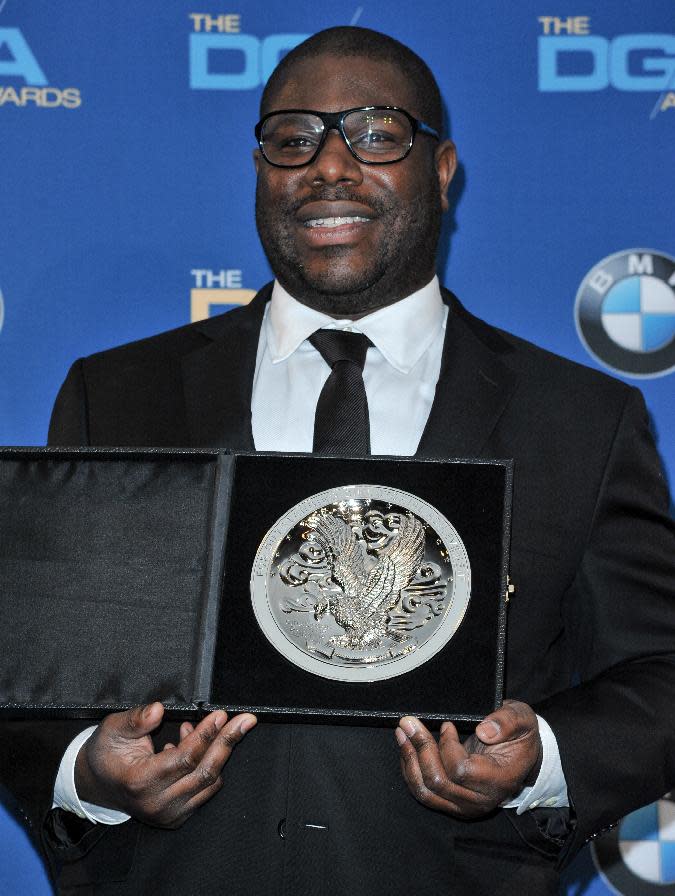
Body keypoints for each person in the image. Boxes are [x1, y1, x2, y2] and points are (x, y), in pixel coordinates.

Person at [32, 25, 675, 896]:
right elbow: (31, 662)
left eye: (376, 133)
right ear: (260, 174)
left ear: (442, 172)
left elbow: (656, 673)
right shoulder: (116, 396)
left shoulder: (581, 420)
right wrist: (88, 769)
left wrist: (542, 758)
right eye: (292, 139)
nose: (328, 166)